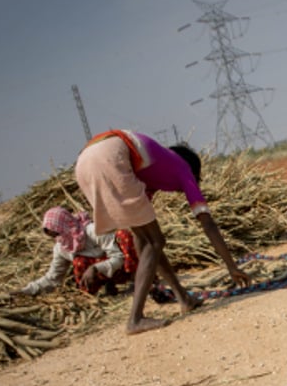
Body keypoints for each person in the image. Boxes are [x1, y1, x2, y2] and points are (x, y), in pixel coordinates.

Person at [73, 129, 251, 334]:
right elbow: (207, 223)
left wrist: (148, 269)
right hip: (109, 158)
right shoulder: (183, 167)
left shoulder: (149, 171)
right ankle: (135, 319)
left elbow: (142, 238)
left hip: (85, 163)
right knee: (155, 242)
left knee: (150, 239)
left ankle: (184, 298)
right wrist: (232, 267)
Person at [16, 206, 138, 296]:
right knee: (79, 262)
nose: (58, 238)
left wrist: (95, 268)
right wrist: (26, 290)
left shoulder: (92, 231)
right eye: (53, 236)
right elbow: (52, 278)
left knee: (124, 236)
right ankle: (104, 287)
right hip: (102, 273)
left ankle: (138, 280)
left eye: (58, 233)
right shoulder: (61, 248)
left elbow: (118, 257)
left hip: (121, 266)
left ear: (65, 226)